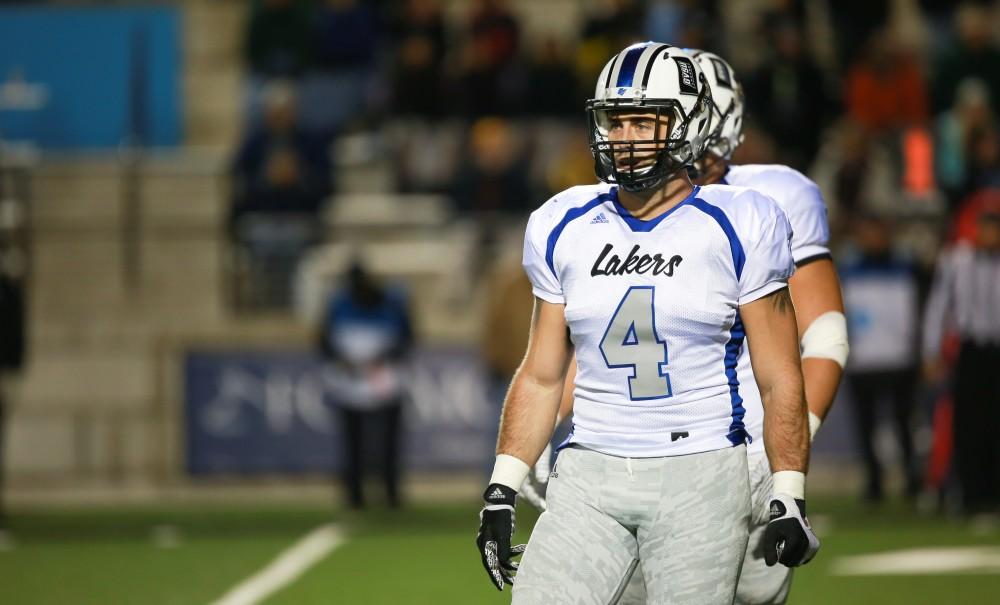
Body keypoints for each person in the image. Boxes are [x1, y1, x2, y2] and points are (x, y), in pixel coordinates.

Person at [474, 43, 819, 604]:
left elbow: (780, 374)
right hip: (589, 467)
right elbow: (540, 374)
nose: (625, 136)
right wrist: (501, 488)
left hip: (702, 471)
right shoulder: (563, 221)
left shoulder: (743, 220)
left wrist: (788, 492)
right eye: (615, 120)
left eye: (643, 120)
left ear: (687, 124)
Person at [923, 208, 1000, 516]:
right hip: (971, 351)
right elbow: (938, 307)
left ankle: (995, 495)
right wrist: (930, 352)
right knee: (968, 424)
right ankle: (971, 496)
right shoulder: (958, 261)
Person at [841, 214, 922, 502]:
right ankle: (874, 483)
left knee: (904, 425)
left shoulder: (906, 267)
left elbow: (917, 311)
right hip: (863, 360)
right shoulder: (848, 269)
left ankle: (913, 480)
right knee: (867, 428)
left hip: (900, 358)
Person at [320, 261, 413, 509]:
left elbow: (406, 338)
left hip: (385, 381)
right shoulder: (338, 304)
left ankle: (390, 493)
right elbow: (324, 341)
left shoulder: (391, 301)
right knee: (354, 442)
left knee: (386, 442)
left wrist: (381, 358)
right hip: (350, 383)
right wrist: (345, 361)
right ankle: (355, 495)